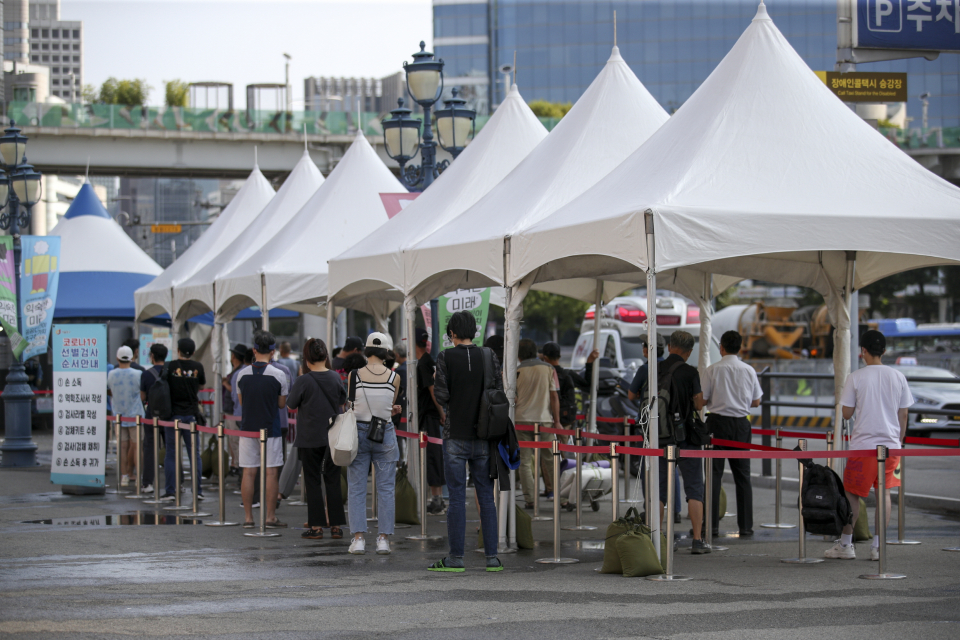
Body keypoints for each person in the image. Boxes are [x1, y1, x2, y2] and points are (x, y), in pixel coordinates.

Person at [824, 330, 912, 561]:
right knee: (884, 494)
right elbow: (903, 415)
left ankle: (846, 545)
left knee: (852, 495)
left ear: (863, 351)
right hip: (891, 446)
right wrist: (899, 440)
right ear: (884, 351)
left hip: (863, 446)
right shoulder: (898, 376)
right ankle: (878, 547)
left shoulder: (856, 377)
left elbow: (846, 413)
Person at [430, 310, 502, 573]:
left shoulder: (445, 357)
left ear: (451, 334)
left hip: (455, 435)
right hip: (484, 435)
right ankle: (492, 558)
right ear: (475, 331)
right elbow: (498, 391)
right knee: (486, 497)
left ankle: (456, 559)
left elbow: (441, 394)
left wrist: (457, 403)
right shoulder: (489, 355)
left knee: (457, 498)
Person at [701, 330, 762, 538]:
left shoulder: (712, 370)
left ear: (721, 347)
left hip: (716, 424)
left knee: (713, 475)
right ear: (741, 347)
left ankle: (711, 525)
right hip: (740, 426)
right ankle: (745, 526)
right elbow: (756, 402)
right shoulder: (749, 370)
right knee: (743, 477)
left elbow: (702, 399)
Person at [347, 332, 402, 555]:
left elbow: (351, 403)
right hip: (384, 431)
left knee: (357, 487)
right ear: (386, 352)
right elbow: (390, 404)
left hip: (358, 431)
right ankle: (383, 539)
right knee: (386, 488)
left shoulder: (354, 375)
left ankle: (359, 538)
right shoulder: (394, 377)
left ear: (366, 350)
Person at [287, 337, 347, 540]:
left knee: (312, 481)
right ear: (325, 356)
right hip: (333, 436)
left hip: (309, 437)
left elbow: (291, 405)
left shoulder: (303, 380)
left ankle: (317, 526)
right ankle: (337, 525)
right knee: (332, 480)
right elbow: (341, 401)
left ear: (306, 357)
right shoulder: (335, 377)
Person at [657, 330, 709, 554]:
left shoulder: (654, 369)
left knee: (658, 491)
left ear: (669, 346)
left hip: (659, 436)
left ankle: (657, 538)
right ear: (689, 352)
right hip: (686, 436)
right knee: (694, 488)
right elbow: (698, 405)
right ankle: (697, 540)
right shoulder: (690, 372)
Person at [236, 330, 289, 529]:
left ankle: (248, 517)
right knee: (271, 472)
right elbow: (282, 404)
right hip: (271, 429)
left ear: (254, 350)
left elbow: (242, 402)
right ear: (273, 351)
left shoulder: (242, 375)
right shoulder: (278, 375)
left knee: (248, 472)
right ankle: (270, 516)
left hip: (247, 428)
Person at [515, 338, 562, 508]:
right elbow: (554, 396)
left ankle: (530, 499)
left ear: (518, 355)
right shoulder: (549, 369)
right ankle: (560, 496)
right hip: (544, 420)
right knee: (550, 458)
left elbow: (512, 398)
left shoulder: (515, 370)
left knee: (525, 461)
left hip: (521, 420)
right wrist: (557, 421)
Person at [160, 338, 206, 502]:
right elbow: (201, 385)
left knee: (171, 454)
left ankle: (171, 490)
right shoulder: (198, 367)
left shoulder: (170, 366)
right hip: (192, 415)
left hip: (172, 415)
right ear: (193, 352)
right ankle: (198, 490)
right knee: (194, 454)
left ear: (178, 350)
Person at [415, 327, 447, 515]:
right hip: (429, 416)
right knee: (432, 456)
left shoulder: (423, 363)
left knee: (433, 456)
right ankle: (436, 498)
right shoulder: (424, 361)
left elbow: (432, 389)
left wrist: (441, 412)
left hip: (430, 417)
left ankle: (437, 499)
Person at [107, 346, 144, 487]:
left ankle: (124, 476)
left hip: (118, 414)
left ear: (117, 358)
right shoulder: (138, 374)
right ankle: (138, 477)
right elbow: (142, 392)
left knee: (122, 447)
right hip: (136, 414)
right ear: (131, 358)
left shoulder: (111, 374)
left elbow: (108, 390)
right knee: (137, 447)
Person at [222, 344, 249, 474]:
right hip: (236, 411)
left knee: (235, 440)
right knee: (235, 441)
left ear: (234, 356)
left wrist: (225, 384)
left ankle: (238, 465)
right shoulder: (241, 371)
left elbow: (235, 394)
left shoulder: (238, 373)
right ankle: (236, 464)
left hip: (234, 411)